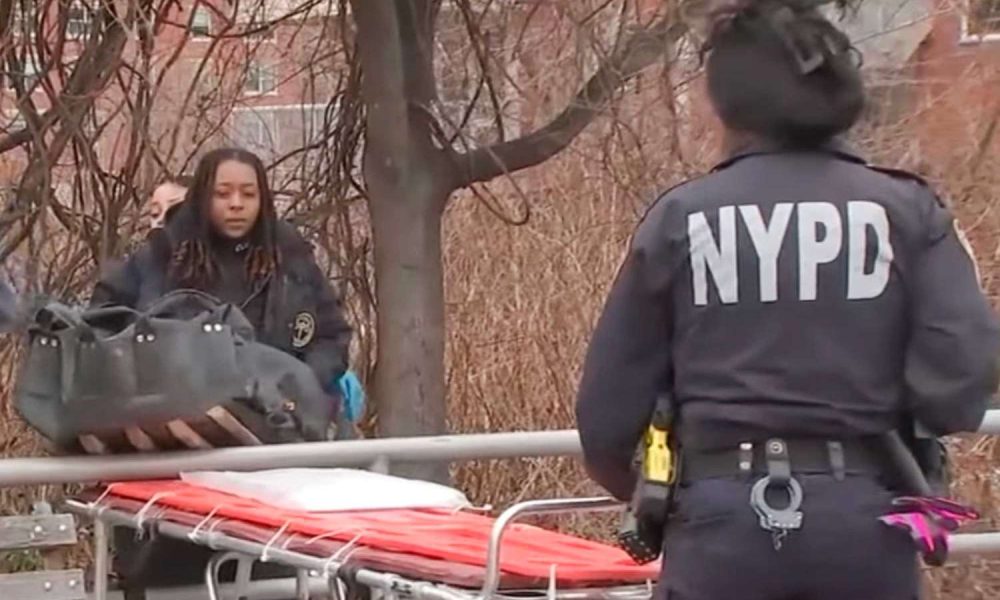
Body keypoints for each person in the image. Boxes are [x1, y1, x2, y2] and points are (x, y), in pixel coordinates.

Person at [574, 2, 1000, 599]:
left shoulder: (681, 219)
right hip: (866, 527)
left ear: (729, 101)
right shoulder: (908, 213)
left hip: (719, 535)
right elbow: (959, 386)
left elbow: (605, 425)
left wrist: (669, 495)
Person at [90, 147, 352, 597]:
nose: (236, 204)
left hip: (282, 438)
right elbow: (106, 319)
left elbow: (332, 335)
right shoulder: (163, 253)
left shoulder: (291, 258)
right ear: (202, 198)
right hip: (187, 445)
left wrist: (300, 385)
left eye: (248, 194)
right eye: (224, 193)